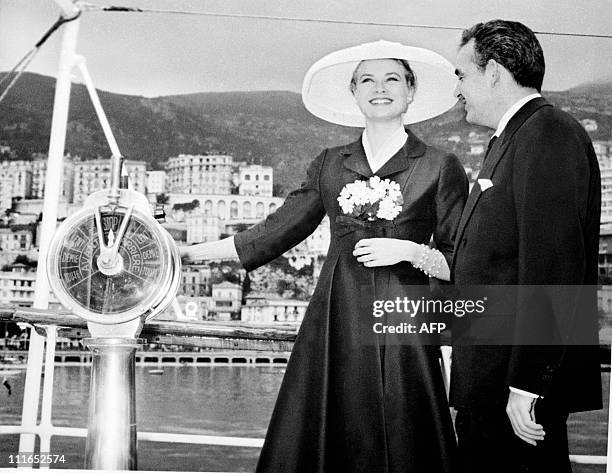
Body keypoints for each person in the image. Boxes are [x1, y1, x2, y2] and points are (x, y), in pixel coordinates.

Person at [183, 40, 468, 473]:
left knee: (406, 431)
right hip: (337, 312)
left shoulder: (440, 165)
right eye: (367, 80)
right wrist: (187, 252)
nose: (380, 88)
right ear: (353, 92)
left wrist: (411, 250)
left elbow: (457, 260)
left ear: (411, 91)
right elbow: (274, 232)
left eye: (393, 78)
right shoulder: (330, 164)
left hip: (404, 318)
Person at [450, 20, 602, 473]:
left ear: (494, 72)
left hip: (513, 395)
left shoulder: (547, 133)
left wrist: (527, 386)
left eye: (462, 75)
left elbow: (553, 265)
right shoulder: (510, 139)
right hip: (489, 386)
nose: (457, 89)